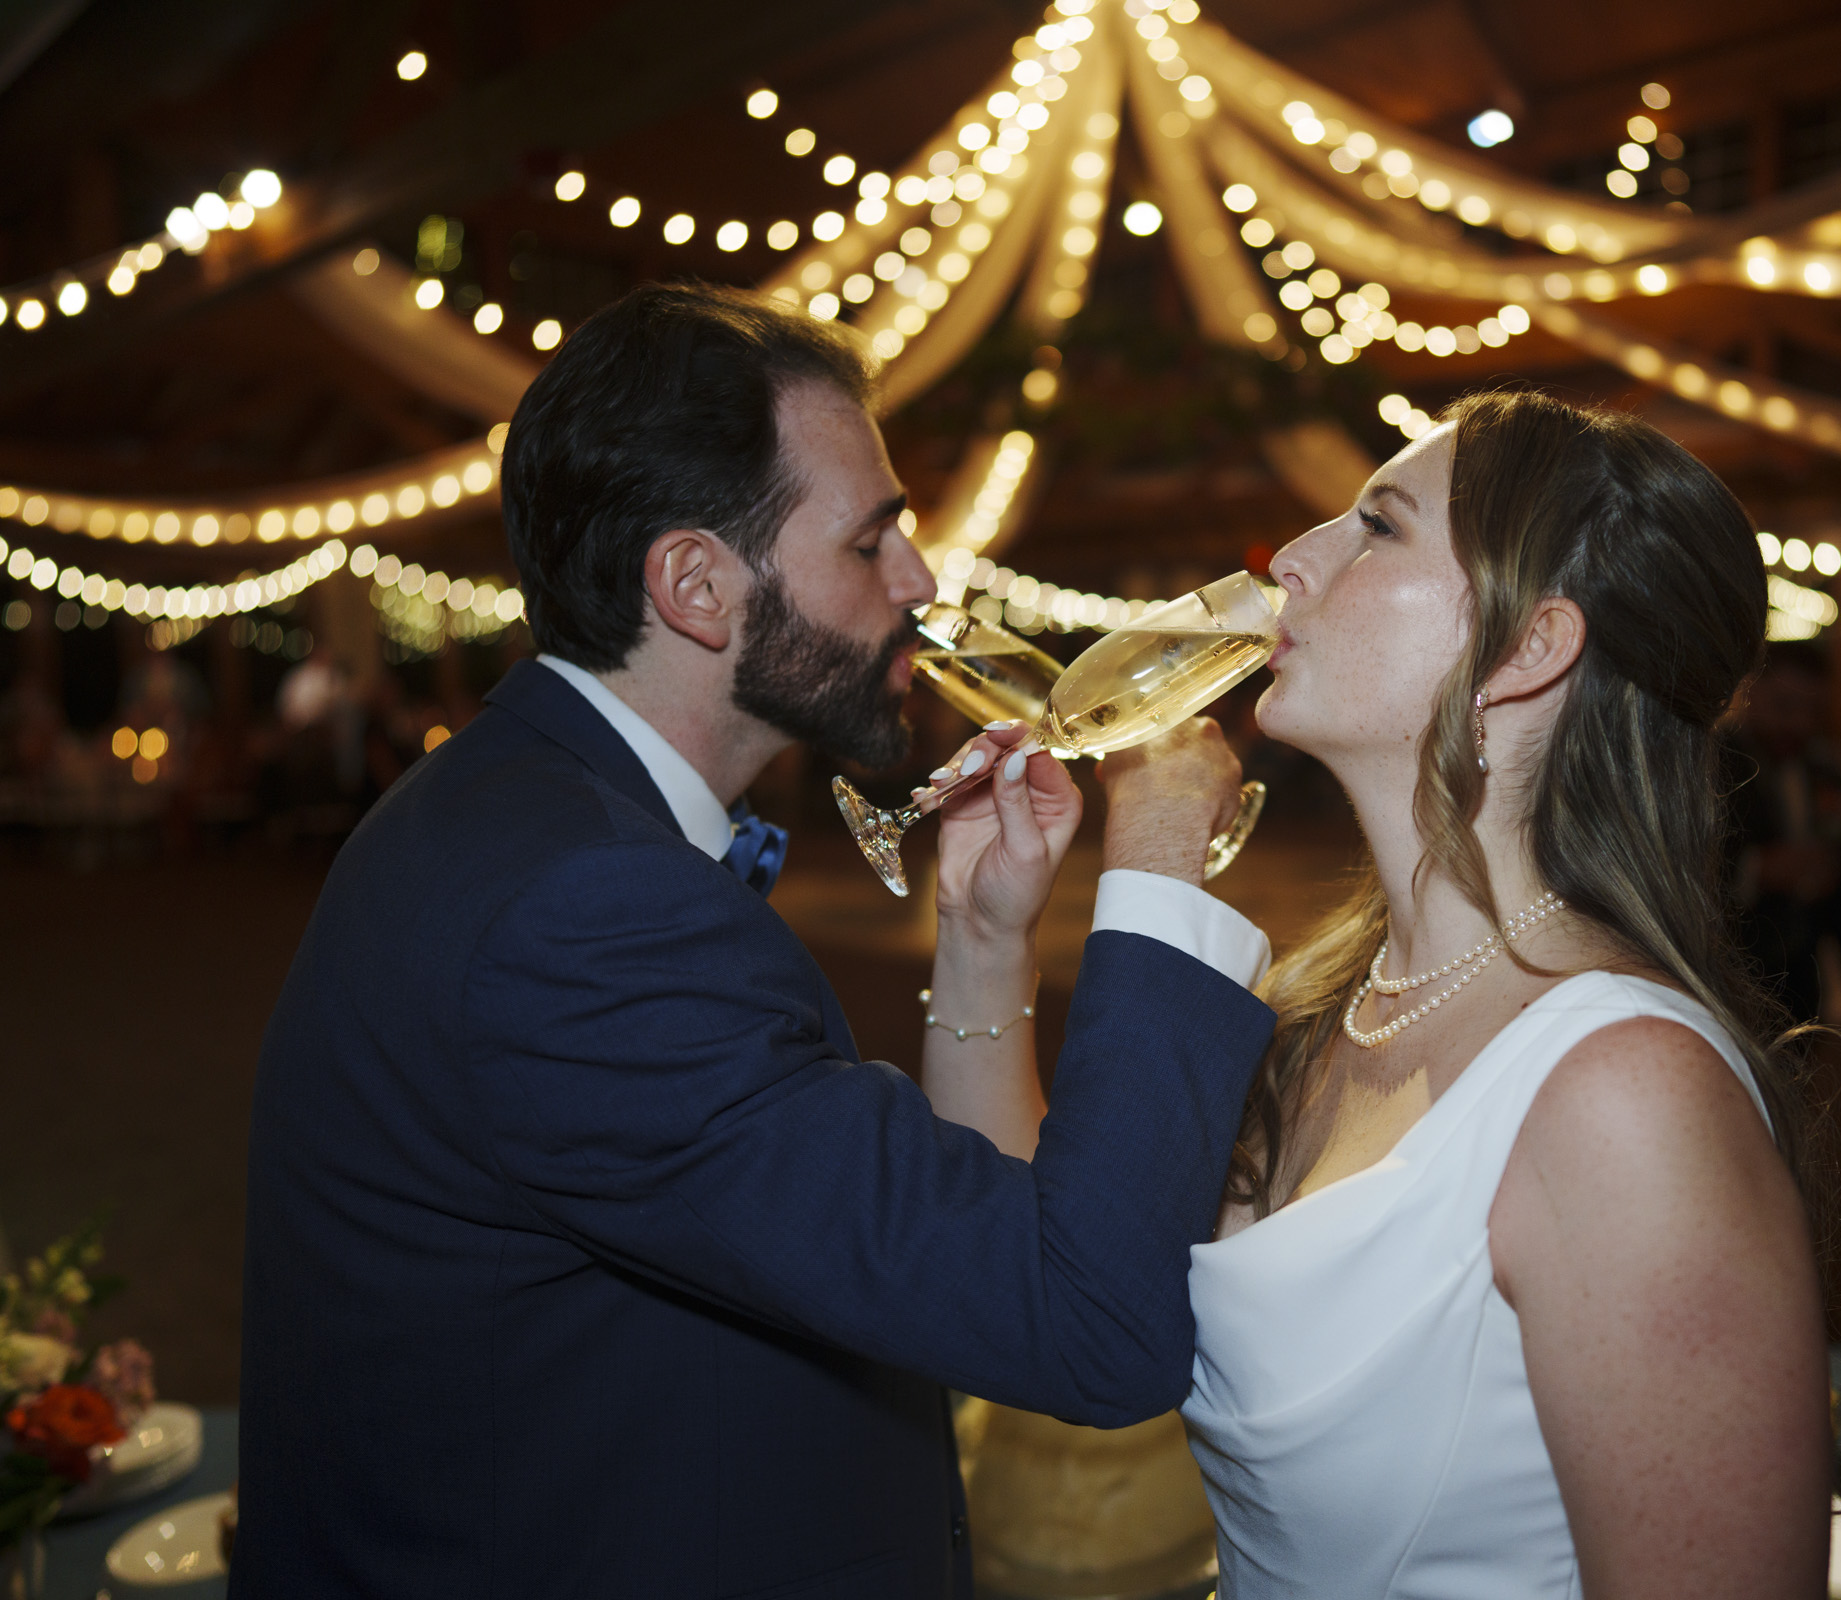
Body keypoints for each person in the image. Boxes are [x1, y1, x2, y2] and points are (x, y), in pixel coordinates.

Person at [234, 285, 1277, 1599]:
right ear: (696, 586)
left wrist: (981, 940)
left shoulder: (533, 818)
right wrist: (1160, 857)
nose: (919, 583)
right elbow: (1089, 1324)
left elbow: (957, 1249)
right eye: (870, 543)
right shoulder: (581, 909)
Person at [1179, 392, 1829, 1596]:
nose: (1294, 560)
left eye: (1377, 525)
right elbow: (1052, 1293)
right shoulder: (1325, 999)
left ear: (1530, 648)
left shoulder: (1625, 1096)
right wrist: (987, 931)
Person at [1724, 640, 1841, 1025]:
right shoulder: (1714, 764)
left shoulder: (1824, 770)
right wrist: (1758, 870)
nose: (1801, 724)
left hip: (1801, 976)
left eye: (1814, 712)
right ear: (1751, 692)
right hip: (1728, 968)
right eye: (1785, 708)